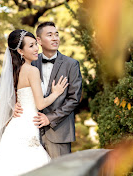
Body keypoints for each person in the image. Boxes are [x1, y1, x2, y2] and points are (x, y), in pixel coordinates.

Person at [0, 29, 68, 176]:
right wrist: (56, 93)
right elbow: (40, 104)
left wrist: (14, 107)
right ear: (20, 51)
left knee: (9, 169)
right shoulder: (32, 70)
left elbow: (13, 97)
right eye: (31, 46)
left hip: (16, 126)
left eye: (36, 44)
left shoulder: (15, 70)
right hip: (27, 127)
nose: (36, 49)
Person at [14, 22, 83, 159]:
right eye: (50, 35)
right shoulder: (30, 61)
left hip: (59, 132)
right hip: (31, 131)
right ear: (38, 40)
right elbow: (18, 88)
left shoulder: (71, 64)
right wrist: (15, 105)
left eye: (56, 34)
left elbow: (74, 99)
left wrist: (50, 118)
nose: (55, 38)